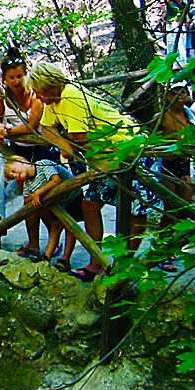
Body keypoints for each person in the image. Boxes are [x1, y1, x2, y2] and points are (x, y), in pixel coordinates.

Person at [26, 62, 158, 282]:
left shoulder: (70, 96)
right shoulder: (53, 102)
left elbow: (81, 138)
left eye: (39, 92)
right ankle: (97, 262)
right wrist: (64, 145)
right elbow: (45, 128)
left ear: (49, 86)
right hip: (103, 160)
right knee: (90, 204)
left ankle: (124, 264)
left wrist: (67, 144)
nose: (38, 98)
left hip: (127, 151)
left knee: (135, 208)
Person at [0, 47, 54, 257]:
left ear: (26, 73)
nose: (16, 81)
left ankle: (54, 238)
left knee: (44, 199)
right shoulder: (3, 94)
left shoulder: (35, 92)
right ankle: (34, 243)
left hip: (42, 149)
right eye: (11, 77)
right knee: (28, 197)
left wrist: (7, 131)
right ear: (4, 78)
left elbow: (33, 125)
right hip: (19, 152)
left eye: (19, 76)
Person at [4, 156, 81, 272]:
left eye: (13, 171)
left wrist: (38, 193)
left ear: (21, 161)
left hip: (73, 196)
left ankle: (65, 259)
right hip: (59, 202)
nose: (15, 176)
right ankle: (47, 257)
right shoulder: (28, 183)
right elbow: (27, 199)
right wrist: (32, 197)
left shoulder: (43, 164)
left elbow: (56, 180)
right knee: (56, 226)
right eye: (12, 177)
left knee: (70, 228)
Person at [157, 81, 195, 270]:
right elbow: (151, 141)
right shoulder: (161, 117)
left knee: (184, 207)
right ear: (168, 95)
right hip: (166, 165)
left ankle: (172, 244)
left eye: (184, 92)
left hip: (184, 165)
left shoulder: (189, 115)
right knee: (171, 207)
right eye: (177, 93)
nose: (182, 96)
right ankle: (161, 252)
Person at [163, 0, 187, 64]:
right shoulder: (180, 6)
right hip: (179, 25)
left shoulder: (170, 6)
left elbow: (165, 16)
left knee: (171, 43)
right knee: (180, 43)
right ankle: (182, 60)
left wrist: (165, 21)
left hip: (171, 25)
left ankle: (172, 61)